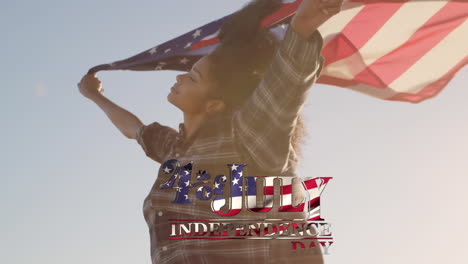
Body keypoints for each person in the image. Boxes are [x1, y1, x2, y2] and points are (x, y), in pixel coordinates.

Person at [78, 0, 343, 263]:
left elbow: (284, 87)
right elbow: (134, 129)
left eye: (192, 77)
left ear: (214, 104)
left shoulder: (246, 136)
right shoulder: (176, 149)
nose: (179, 78)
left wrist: (302, 27)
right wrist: (94, 96)